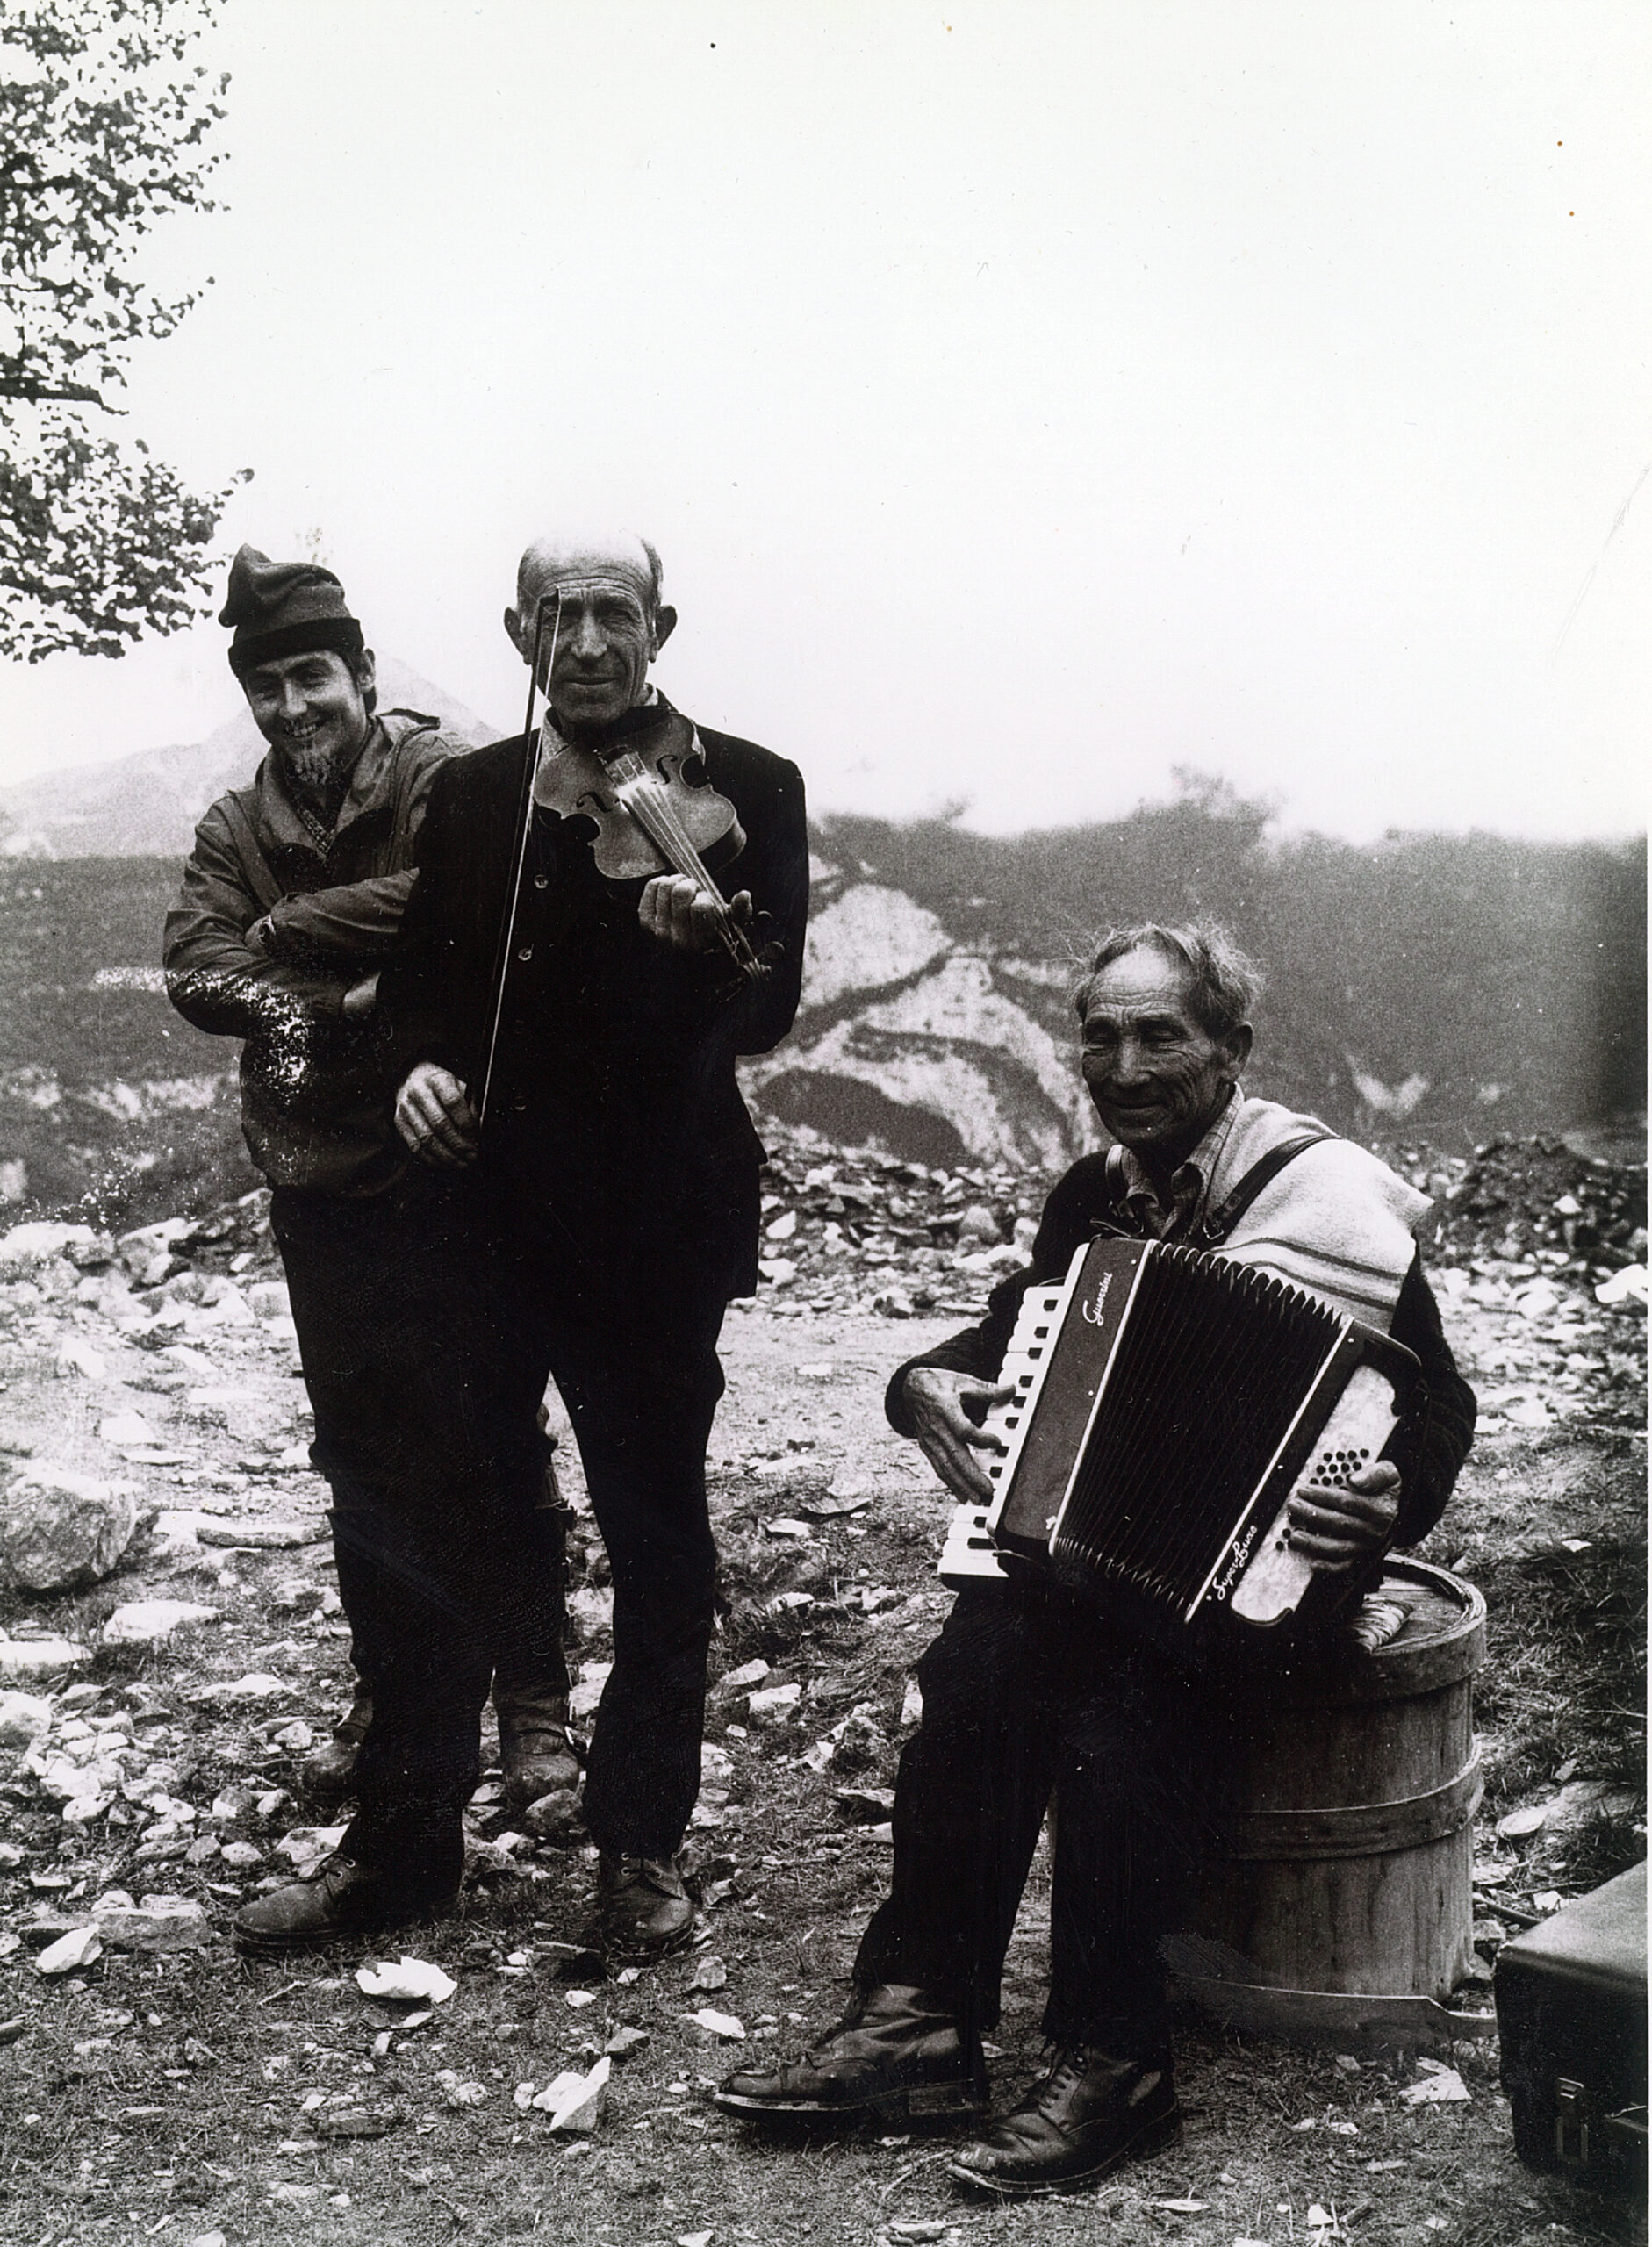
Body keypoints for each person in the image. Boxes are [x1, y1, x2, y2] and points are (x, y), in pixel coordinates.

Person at [716, 922, 1476, 2195]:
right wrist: (919, 1385)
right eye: (1100, 1038)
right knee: (967, 1682)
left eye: (1158, 1035)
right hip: (1103, 1561)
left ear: (1229, 1051)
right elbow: (1015, 1332)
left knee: (1122, 1730)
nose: (1122, 1065)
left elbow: (1433, 1407)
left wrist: (1387, 1511)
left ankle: (1115, 2065)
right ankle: (919, 2023)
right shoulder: (1091, 1196)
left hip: (1268, 1575)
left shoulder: (1327, 1196)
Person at [382, 529, 809, 1961]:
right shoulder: (477, 793)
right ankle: (443, 1802)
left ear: (660, 626)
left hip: (651, 1231)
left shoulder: (745, 786)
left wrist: (704, 950)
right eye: (553, 615)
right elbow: (425, 988)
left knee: (656, 1536)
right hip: (488, 1224)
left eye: (610, 613)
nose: (582, 641)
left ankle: (640, 1847)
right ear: (517, 637)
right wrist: (421, 1067)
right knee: (474, 1506)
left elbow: (764, 1011)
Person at [164, 548, 576, 1956]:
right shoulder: (237, 820)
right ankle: (410, 1778)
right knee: (367, 1470)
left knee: (486, 1446)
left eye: (313, 677)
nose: (293, 708)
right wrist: (352, 992)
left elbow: (466, 905)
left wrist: (291, 943)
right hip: (325, 1181)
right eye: (269, 685)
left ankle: (528, 1703)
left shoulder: (442, 778)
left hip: (462, 1165)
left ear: (362, 677)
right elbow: (195, 970)